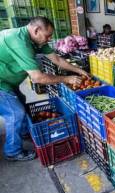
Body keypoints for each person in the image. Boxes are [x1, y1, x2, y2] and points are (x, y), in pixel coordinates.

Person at [0, 16, 88, 161]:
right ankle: (12, 151)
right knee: (15, 113)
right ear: (36, 30)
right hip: (1, 83)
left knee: (21, 104)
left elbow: (57, 59)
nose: (49, 39)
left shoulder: (36, 41)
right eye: (47, 36)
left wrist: (78, 70)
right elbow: (38, 78)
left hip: (7, 81)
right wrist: (67, 78)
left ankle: (23, 133)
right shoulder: (18, 41)